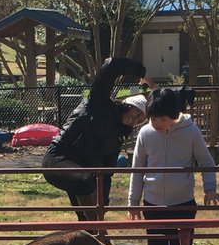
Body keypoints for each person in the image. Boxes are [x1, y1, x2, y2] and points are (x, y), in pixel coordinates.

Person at [127, 87, 219, 245]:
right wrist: (133, 200)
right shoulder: (145, 133)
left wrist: (210, 188)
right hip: (153, 204)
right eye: (153, 119)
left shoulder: (191, 132)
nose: (157, 124)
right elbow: (138, 168)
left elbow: (205, 161)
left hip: (183, 203)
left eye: (162, 119)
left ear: (174, 115)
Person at [42, 57, 149, 226]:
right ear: (128, 106)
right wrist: (137, 69)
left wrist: (102, 205)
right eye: (136, 114)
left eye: (140, 121)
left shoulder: (118, 136)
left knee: (85, 219)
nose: (135, 121)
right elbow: (110, 66)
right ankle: (100, 232)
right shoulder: (98, 102)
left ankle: (91, 238)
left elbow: (106, 172)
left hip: (81, 172)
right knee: (84, 182)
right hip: (58, 157)